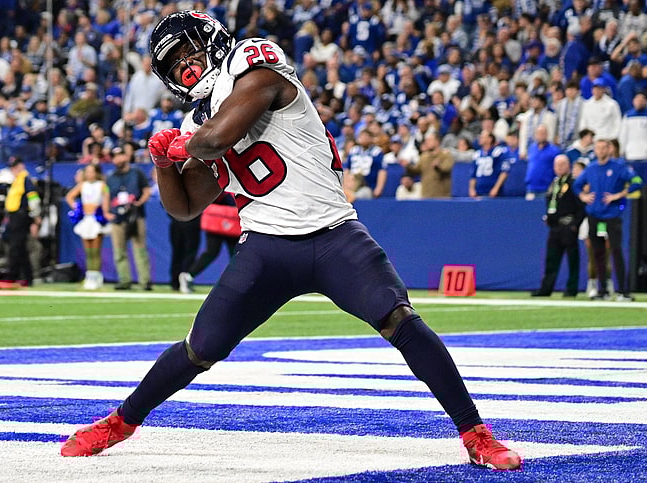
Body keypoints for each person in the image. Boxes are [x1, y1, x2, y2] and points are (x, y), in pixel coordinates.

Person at [61, 11, 522, 471]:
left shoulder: (254, 61)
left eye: (188, 49)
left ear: (213, 39)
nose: (186, 63)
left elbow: (219, 136)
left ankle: (475, 433)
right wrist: (162, 164)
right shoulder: (196, 120)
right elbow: (184, 206)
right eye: (174, 61)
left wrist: (181, 147)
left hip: (333, 233)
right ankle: (119, 424)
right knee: (199, 347)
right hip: (267, 245)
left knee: (399, 319)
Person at [573, 139, 642, 301]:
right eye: (598, 148)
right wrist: (583, 196)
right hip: (594, 215)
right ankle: (602, 289)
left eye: (604, 148)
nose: (601, 151)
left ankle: (623, 290)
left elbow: (637, 181)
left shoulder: (618, 167)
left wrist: (620, 195)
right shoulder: (591, 168)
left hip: (612, 215)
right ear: (595, 150)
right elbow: (577, 185)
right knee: (597, 253)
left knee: (616, 251)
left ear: (609, 150)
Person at [531, 155, 585, 297]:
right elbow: (551, 201)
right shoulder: (554, 183)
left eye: (562, 164)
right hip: (554, 227)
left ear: (568, 166)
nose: (559, 167)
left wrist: (576, 225)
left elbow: (581, 205)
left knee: (572, 259)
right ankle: (546, 288)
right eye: (557, 165)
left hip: (568, 224)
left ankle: (571, 289)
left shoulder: (574, 183)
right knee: (551, 259)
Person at [105, 145, 152, 290]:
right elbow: (107, 195)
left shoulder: (136, 173)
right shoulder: (110, 177)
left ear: (126, 157)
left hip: (135, 215)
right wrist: (106, 211)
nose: (118, 159)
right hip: (117, 217)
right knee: (119, 250)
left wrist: (139, 203)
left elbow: (146, 190)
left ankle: (145, 281)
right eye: (115, 157)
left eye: (120, 155)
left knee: (140, 248)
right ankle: (124, 279)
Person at [179, 192, 240, 294]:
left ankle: (237, 283)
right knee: (211, 252)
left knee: (235, 255)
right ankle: (188, 276)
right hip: (215, 221)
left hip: (233, 222)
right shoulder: (220, 186)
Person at [65, 163, 113, 290]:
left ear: (97, 173)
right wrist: (77, 208)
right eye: (88, 171)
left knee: (96, 250)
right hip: (86, 218)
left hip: (97, 219)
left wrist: (106, 212)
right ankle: (90, 275)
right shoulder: (82, 185)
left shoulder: (103, 186)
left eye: (92, 171)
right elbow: (69, 196)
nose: (90, 174)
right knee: (88, 251)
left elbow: (106, 199)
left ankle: (96, 275)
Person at [3, 156, 41, 286]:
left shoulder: (25, 179)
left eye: (15, 167)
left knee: (15, 247)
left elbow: (34, 199)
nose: (13, 170)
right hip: (14, 216)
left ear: (21, 166)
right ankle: (28, 276)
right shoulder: (17, 181)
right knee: (21, 248)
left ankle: (12, 275)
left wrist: (35, 217)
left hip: (21, 216)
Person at [404, 132, 453, 198]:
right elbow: (416, 170)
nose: (427, 142)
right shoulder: (424, 157)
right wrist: (407, 166)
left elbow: (447, 168)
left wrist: (438, 166)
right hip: (426, 195)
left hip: (441, 196)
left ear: (437, 141)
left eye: (429, 140)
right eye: (426, 140)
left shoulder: (445, 155)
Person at [618, 93, 647, 163]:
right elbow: (623, 134)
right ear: (633, 101)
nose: (639, 102)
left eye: (641, 100)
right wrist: (621, 150)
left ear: (645, 102)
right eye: (637, 100)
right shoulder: (627, 116)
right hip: (631, 154)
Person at [469, 130, 511, 198]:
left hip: (493, 191)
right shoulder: (477, 154)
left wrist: (496, 188)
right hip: (479, 191)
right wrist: (472, 189)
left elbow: (504, 172)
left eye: (483, 137)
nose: (480, 138)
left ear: (490, 139)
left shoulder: (498, 152)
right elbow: (473, 175)